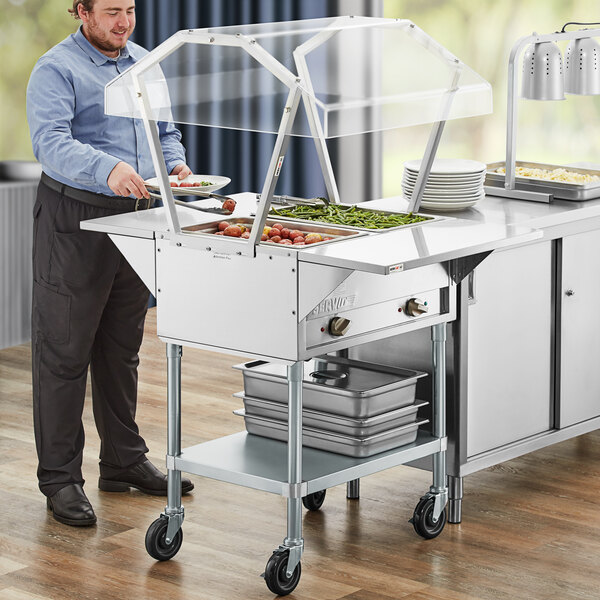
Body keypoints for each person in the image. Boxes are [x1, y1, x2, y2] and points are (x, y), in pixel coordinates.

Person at [26, 0, 194, 527]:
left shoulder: (145, 62)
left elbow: (164, 134)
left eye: (130, 10)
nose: (123, 22)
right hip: (75, 219)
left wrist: (176, 165)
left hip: (136, 219)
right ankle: (60, 480)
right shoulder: (56, 69)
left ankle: (122, 460)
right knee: (64, 354)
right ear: (81, 11)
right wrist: (109, 168)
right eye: (111, 11)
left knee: (121, 349)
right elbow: (50, 143)